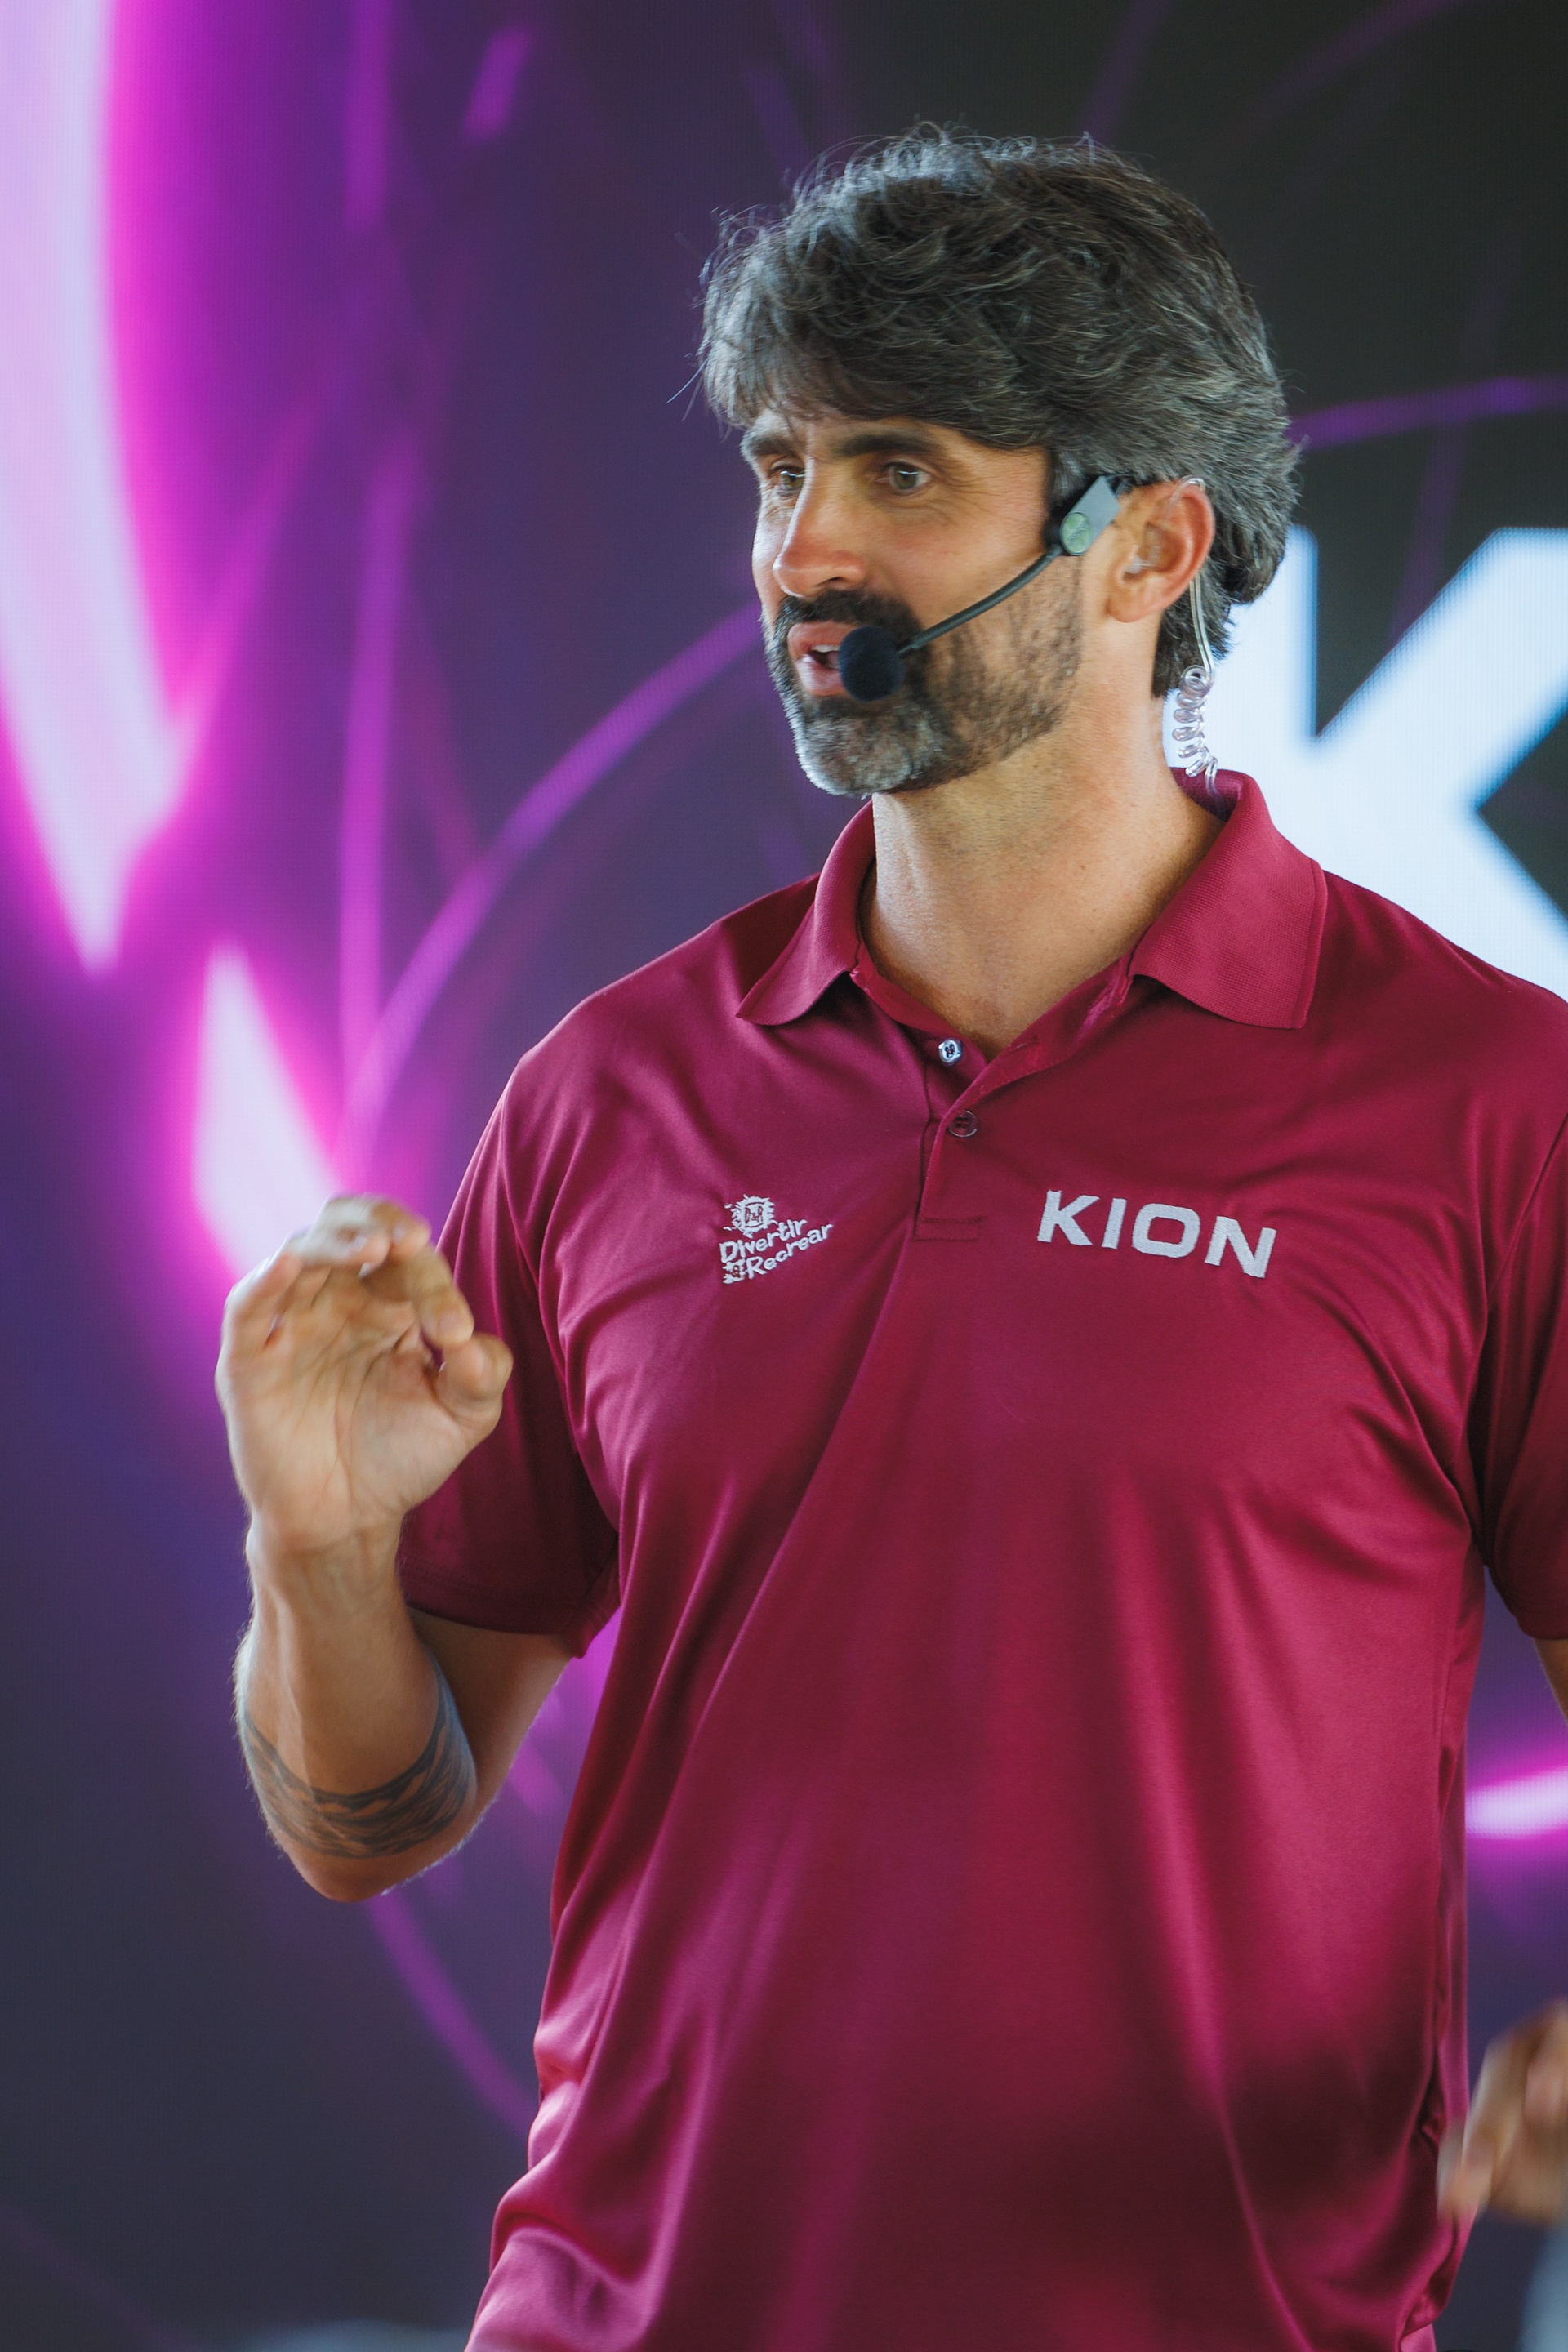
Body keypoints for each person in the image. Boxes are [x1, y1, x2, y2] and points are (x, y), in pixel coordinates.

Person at [216, 131, 1568, 2351]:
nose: (804, 552)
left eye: (903, 471)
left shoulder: (1487, 1100)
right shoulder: (611, 1094)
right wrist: (318, 1548)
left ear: (1151, 546)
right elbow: (370, 1823)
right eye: (781, 469)